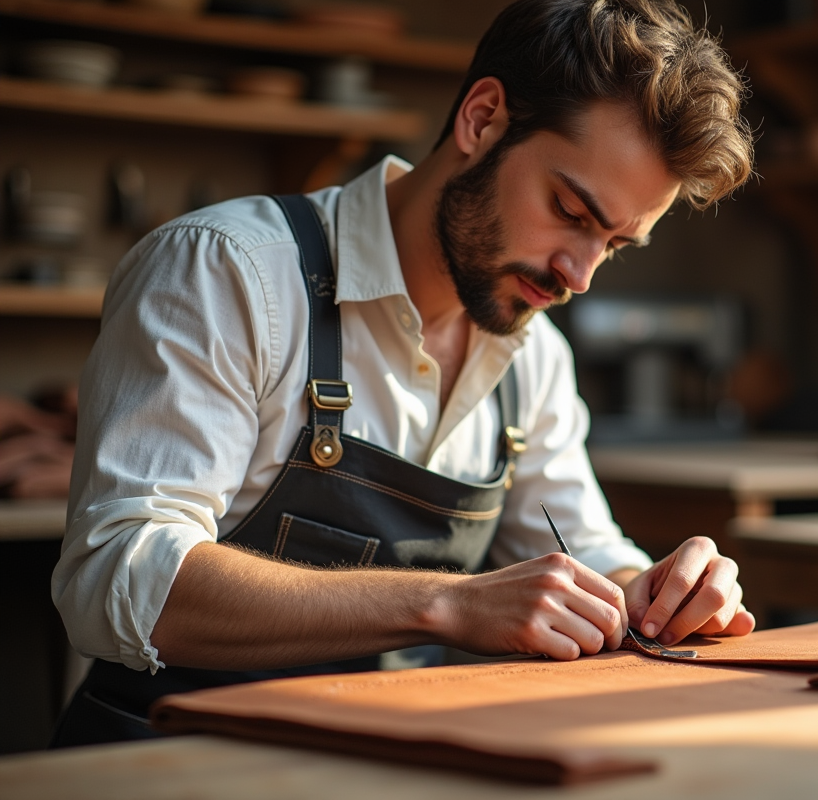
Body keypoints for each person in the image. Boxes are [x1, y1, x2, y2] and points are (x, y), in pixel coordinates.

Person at [51, 0, 755, 746]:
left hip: (378, 765)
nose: (578, 277)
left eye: (615, 245)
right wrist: (447, 605)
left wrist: (652, 593)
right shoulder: (229, 271)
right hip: (167, 763)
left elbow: (586, 551)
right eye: (570, 211)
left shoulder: (533, 354)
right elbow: (118, 578)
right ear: (481, 119)